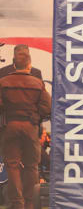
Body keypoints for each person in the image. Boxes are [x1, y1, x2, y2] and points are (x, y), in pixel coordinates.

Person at [0, 47, 51, 209]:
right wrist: (35, 117)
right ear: (29, 65)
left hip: (10, 127)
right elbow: (47, 106)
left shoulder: (3, 82)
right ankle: (29, 202)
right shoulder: (37, 82)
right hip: (30, 127)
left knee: (12, 165)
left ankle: (17, 202)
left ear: (14, 65)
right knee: (32, 165)